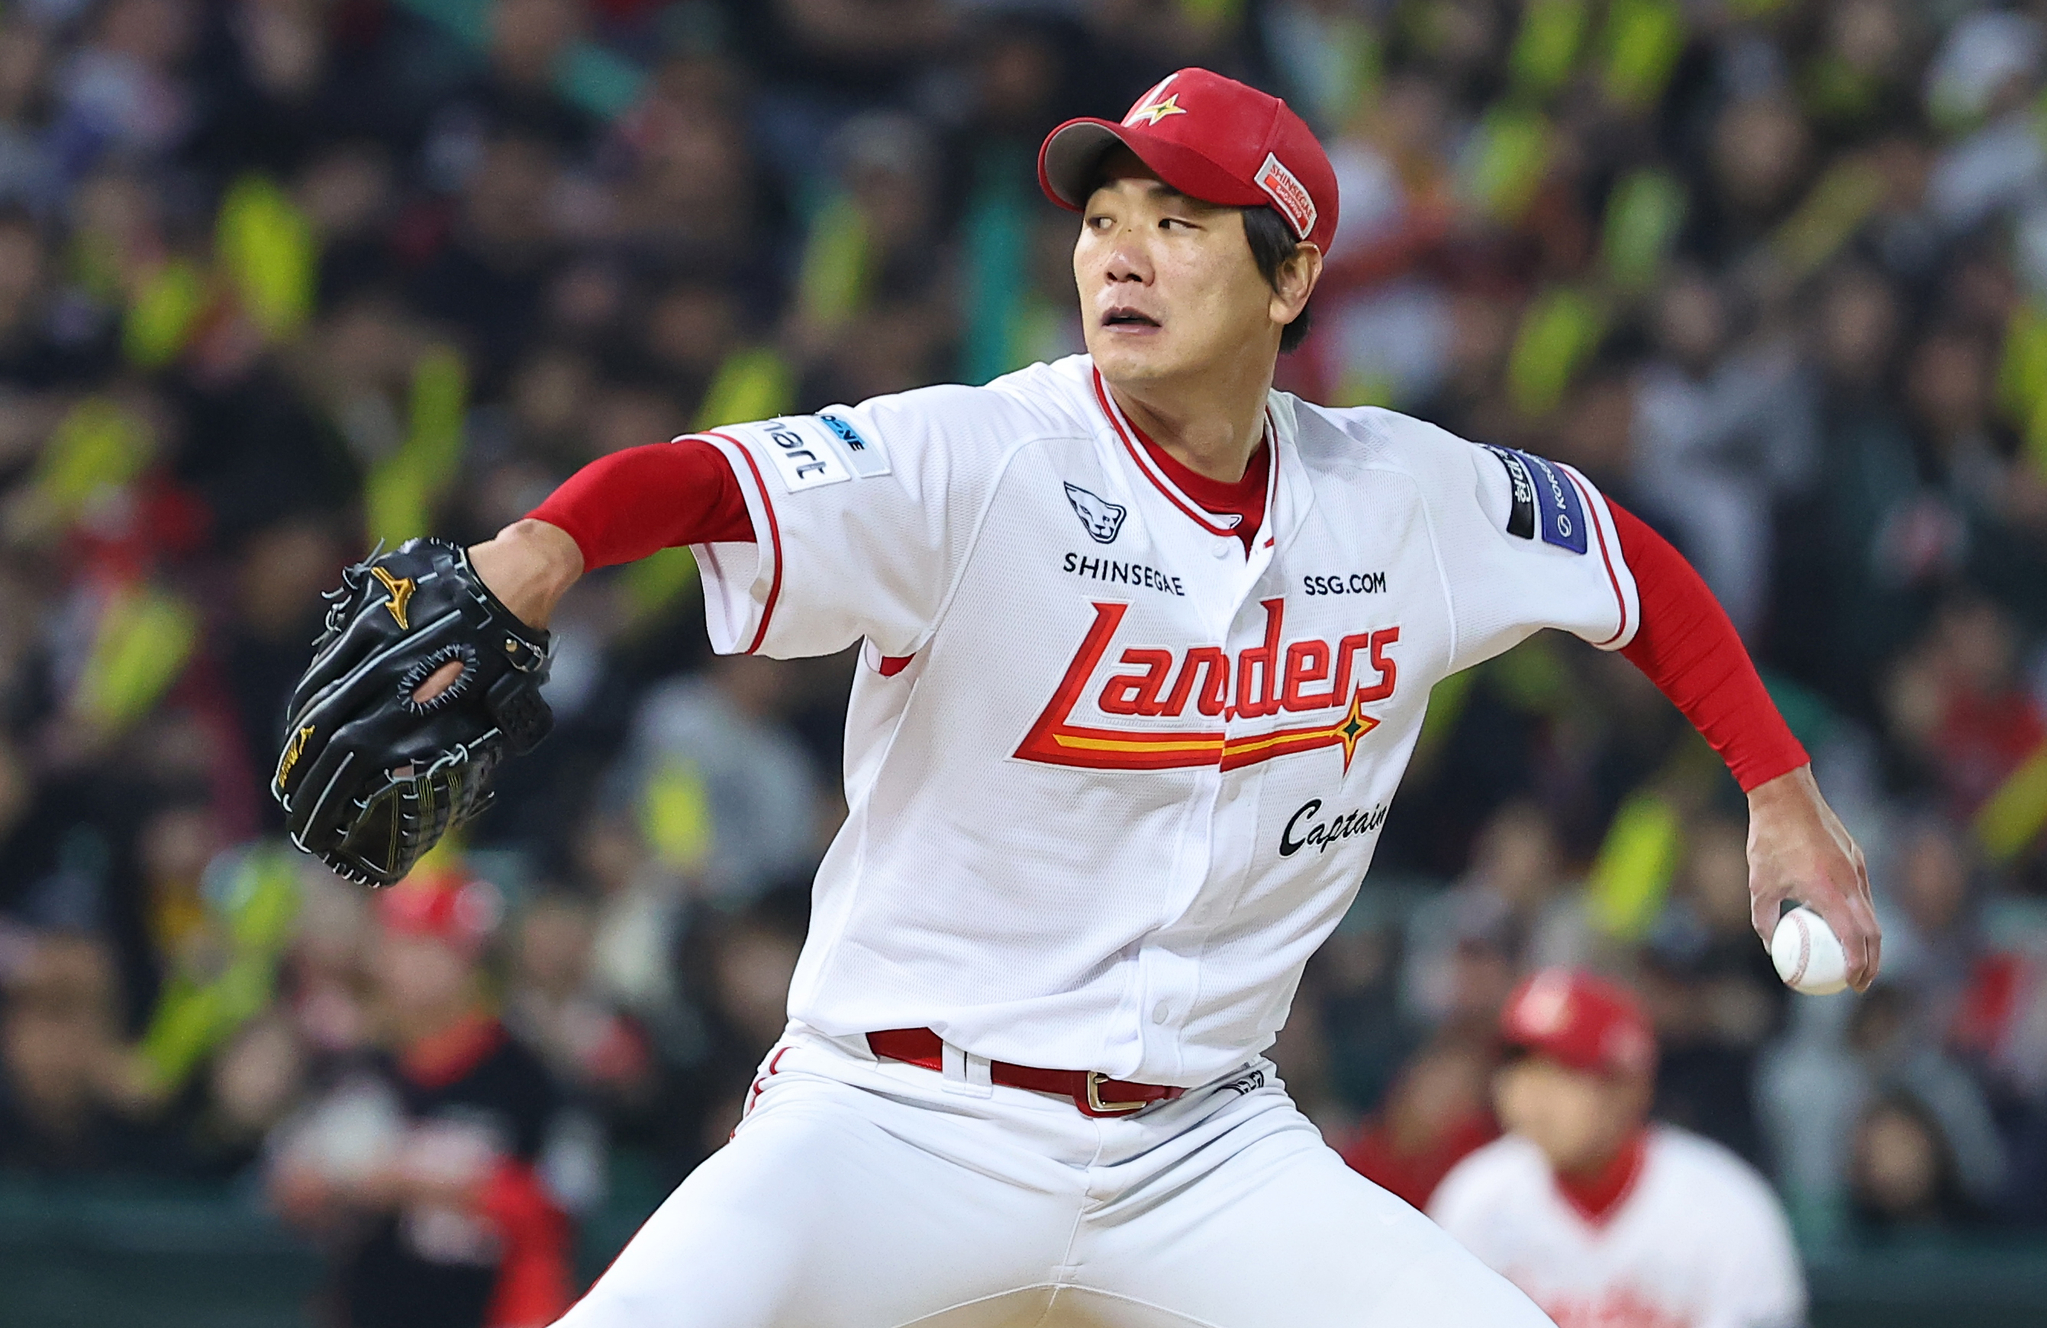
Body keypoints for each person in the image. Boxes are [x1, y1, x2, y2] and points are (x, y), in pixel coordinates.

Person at [419, 68, 1877, 1327]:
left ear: (1291, 278)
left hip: (1205, 1146)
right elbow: (705, 479)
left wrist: (1777, 790)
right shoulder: (980, 460)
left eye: (1176, 226)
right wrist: (537, 551)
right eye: (1103, 221)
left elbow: (1623, 563)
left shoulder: (1402, 497)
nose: (1120, 255)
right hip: (898, 1115)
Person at [269, 868, 581, 1328]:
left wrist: (438, 1184)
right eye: (401, 946)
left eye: (433, 948)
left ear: (472, 961)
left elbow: (567, 1201)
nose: (413, 966)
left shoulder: (526, 1075)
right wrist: (332, 1182)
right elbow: (288, 1188)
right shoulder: (357, 1068)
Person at [1430, 969, 1806, 1328]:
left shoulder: (1724, 1206)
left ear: (1629, 1090)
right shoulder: (1476, 1198)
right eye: (1520, 1070)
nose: (1532, 1095)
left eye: (1564, 1073)